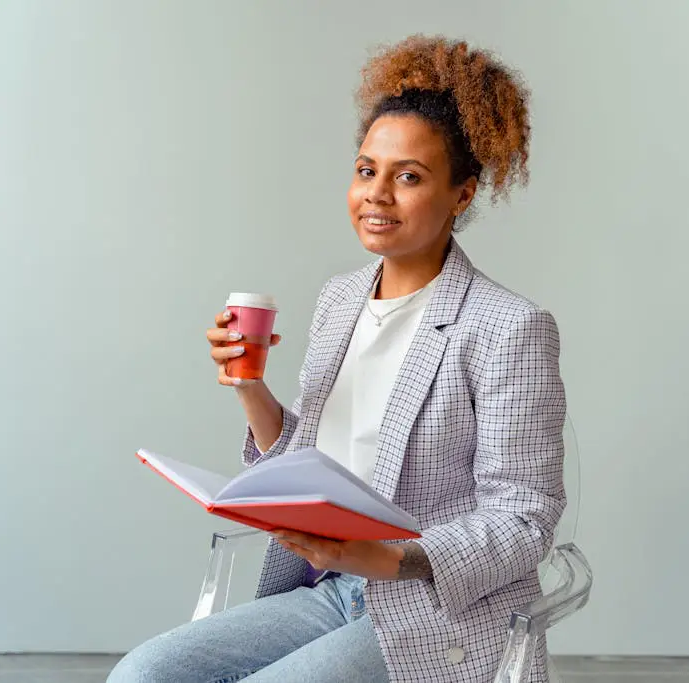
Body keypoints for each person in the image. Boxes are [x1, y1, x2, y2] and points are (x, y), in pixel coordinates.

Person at [108, 34, 566, 683]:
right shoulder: (340, 299)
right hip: (330, 591)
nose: (377, 193)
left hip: (433, 609)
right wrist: (250, 384)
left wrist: (390, 558)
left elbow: (525, 520)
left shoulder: (508, 327)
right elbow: (310, 461)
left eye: (409, 176)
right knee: (143, 673)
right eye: (365, 169)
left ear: (462, 194)